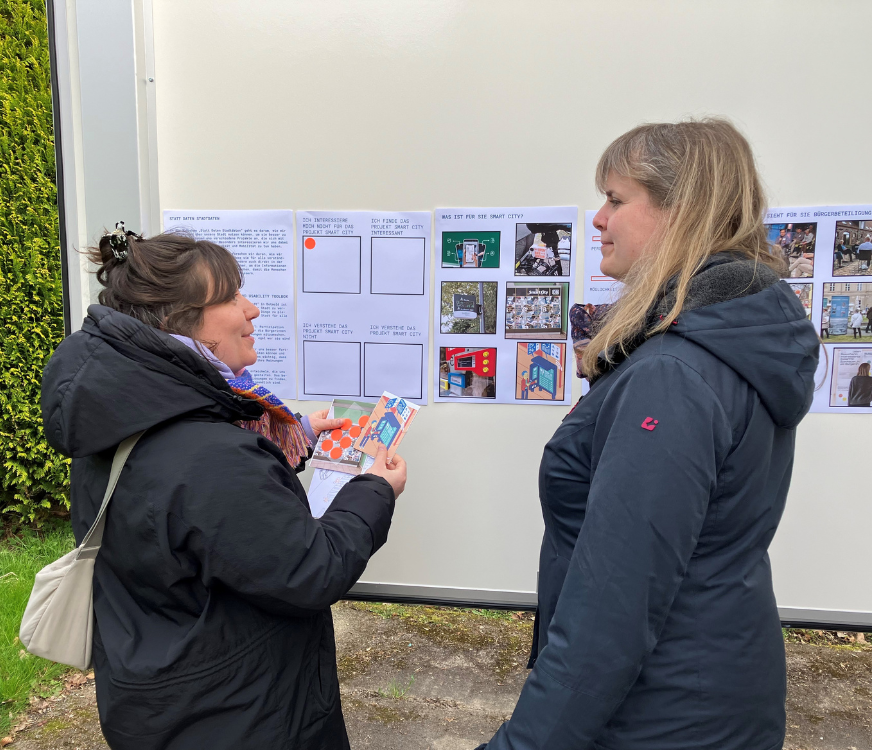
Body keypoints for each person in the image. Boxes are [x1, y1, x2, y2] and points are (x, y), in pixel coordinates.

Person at [480, 119, 818, 750]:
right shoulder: (721, 342)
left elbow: (613, 606)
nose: (597, 219)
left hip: (663, 713)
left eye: (615, 198)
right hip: (714, 687)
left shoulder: (672, 374)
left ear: (679, 211)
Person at [41, 229, 407, 750]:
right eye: (233, 296)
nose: (252, 309)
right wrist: (375, 488)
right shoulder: (210, 456)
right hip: (242, 715)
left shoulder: (118, 420)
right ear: (179, 320)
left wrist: (293, 439)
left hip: (157, 698)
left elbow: (197, 519)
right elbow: (312, 569)